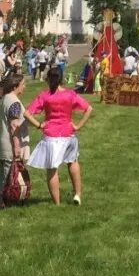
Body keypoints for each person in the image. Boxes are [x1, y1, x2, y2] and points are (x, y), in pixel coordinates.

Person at [26, 67, 92, 205]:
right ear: (62, 78)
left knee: (52, 169)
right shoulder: (70, 94)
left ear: (47, 79)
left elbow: (27, 113)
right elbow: (88, 108)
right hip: (69, 134)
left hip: (52, 136)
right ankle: (78, 194)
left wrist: (39, 125)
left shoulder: (44, 96)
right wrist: (78, 126)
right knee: (73, 162)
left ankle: (57, 203)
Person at [0, 71, 42, 209]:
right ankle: (2, 203)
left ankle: (1, 200)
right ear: (15, 86)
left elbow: (25, 115)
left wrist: (39, 125)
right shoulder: (14, 102)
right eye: (22, 84)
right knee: (8, 175)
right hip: (9, 143)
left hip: (2, 141)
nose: (24, 87)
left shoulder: (6, 98)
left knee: (3, 174)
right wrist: (16, 146)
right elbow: (14, 125)